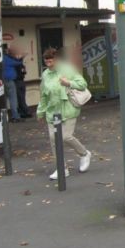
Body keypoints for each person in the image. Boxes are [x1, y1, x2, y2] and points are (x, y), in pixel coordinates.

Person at [36, 47, 92, 180]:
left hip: (68, 109)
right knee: (54, 140)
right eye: (46, 61)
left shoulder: (67, 69)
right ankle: (62, 168)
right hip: (52, 111)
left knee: (65, 136)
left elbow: (82, 84)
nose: (49, 63)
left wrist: (69, 83)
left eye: (51, 61)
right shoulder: (45, 74)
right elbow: (43, 95)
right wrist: (40, 112)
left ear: (56, 59)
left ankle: (84, 154)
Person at [2, 45, 25, 122]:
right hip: (9, 81)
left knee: (4, 100)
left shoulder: (0, 58)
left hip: (2, 82)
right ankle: (15, 116)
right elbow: (18, 63)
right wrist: (22, 57)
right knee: (13, 99)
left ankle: (4, 117)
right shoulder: (6, 58)